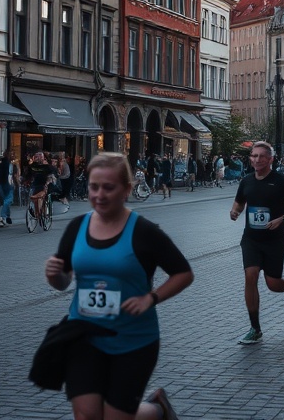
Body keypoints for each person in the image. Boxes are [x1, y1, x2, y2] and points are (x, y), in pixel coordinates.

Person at [44, 153, 193, 420]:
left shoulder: (145, 232)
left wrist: (151, 298)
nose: (99, 194)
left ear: (126, 189)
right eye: (94, 186)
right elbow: (63, 280)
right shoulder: (78, 226)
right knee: (87, 415)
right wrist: (55, 275)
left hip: (133, 339)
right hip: (83, 335)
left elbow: (183, 273)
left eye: (109, 187)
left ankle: (158, 409)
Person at [229, 141, 284, 345]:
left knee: (273, 284)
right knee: (250, 276)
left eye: (262, 156)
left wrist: (283, 218)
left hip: (274, 240)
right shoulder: (246, 181)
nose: (257, 159)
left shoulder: (280, 181)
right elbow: (240, 201)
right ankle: (255, 328)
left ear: (270, 159)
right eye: (254, 156)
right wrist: (235, 210)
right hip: (251, 239)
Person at [0, 148, 18, 227]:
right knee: (8, 200)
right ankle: (3, 216)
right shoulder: (11, 164)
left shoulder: (0, 162)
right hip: (8, 183)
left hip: (1, 183)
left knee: (6, 201)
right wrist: (16, 183)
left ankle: (8, 216)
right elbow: (12, 175)